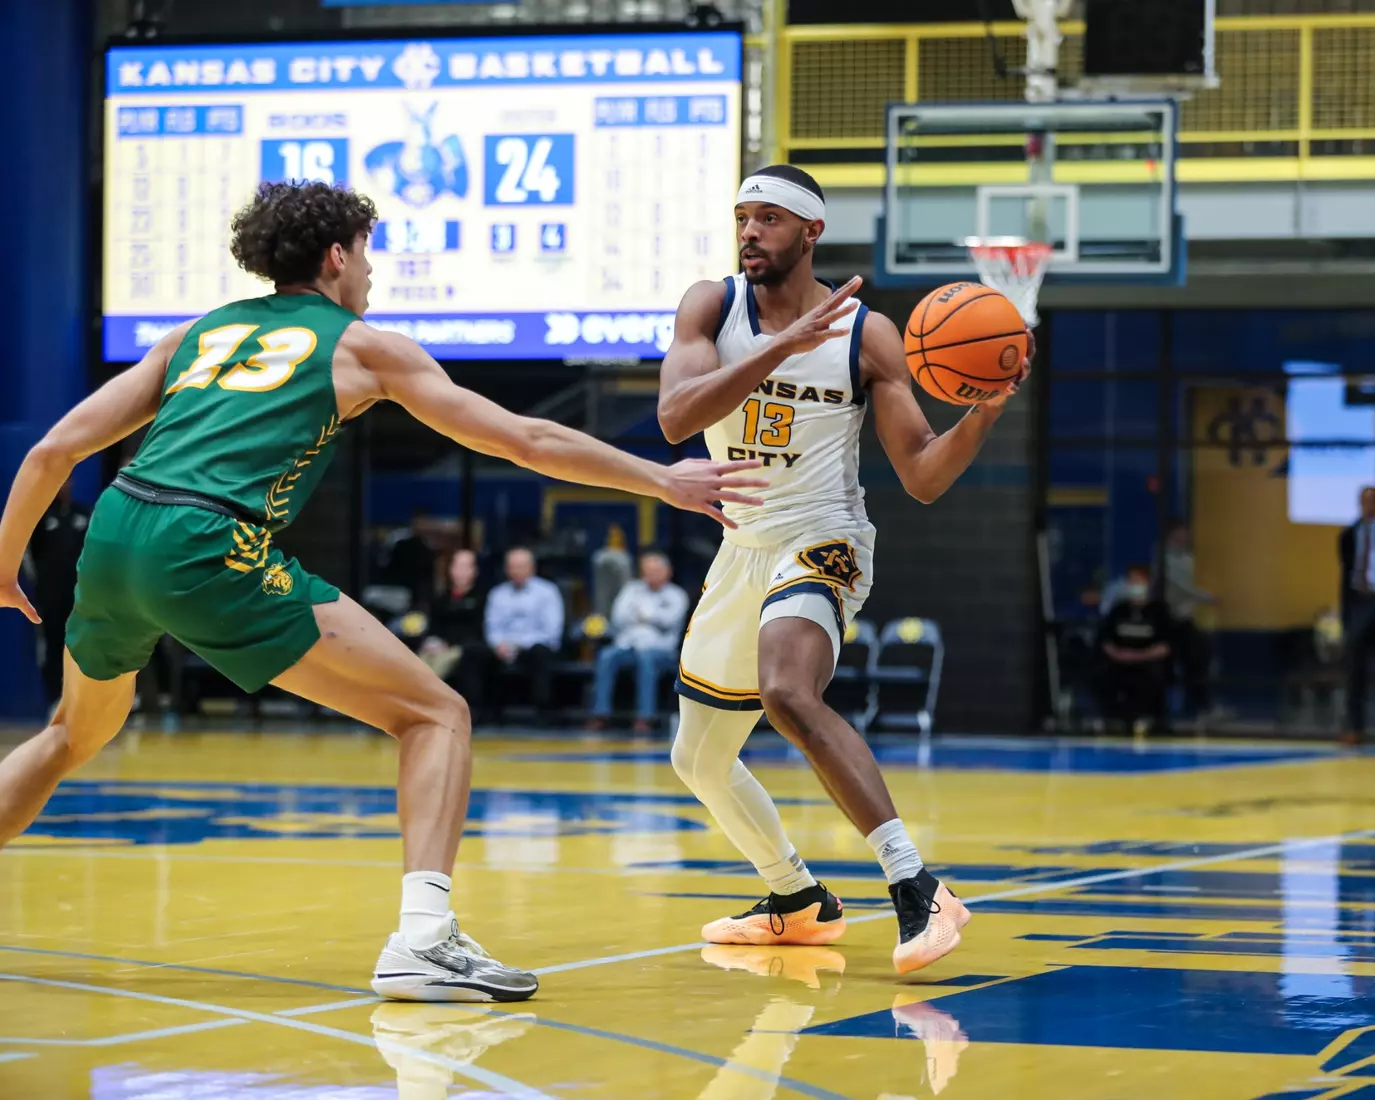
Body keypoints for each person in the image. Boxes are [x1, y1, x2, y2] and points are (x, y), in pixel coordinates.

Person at [0, 180, 765, 1002]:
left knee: (70, 735)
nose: (371, 272)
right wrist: (660, 478)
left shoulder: (195, 334)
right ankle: (424, 941)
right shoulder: (362, 347)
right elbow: (525, 438)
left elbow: (52, 452)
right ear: (337, 256)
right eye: (366, 254)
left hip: (116, 532)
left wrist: (5, 568)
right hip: (208, 541)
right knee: (436, 714)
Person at [657, 164, 1028, 976]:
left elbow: (922, 475)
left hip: (823, 537)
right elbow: (676, 418)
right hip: (741, 547)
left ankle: (915, 883)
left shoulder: (867, 335)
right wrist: (779, 347)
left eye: (768, 218)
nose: (749, 232)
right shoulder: (710, 306)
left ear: (810, 231)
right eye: (742, 217)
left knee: (788, 690)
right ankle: (795, 898)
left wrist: (983, 411)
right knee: (698, 759)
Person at [587, 550, 689, 733]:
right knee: (606, 656)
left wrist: (645, 616)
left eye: (656, 570)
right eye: (647, 570)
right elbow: (618, 617)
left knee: (645, 658)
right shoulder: (631, 589)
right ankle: (601, 713)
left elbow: (669, 620)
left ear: (668, 572)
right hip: (628, 645)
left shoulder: (677, 595)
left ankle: (645, 717)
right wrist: (650, 617)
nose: (651, 575)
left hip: (661, 649)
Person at [25, 479, 89, 707]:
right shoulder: (41, 518)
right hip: (50, 598)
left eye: (68, 481)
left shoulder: (84, 515)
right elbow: (29, 556)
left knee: (79, 648)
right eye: (60, 482)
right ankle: (54, 700)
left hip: (80, 598)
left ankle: (78, 702)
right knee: (52, 646)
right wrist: (41, 584)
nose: (64, 486)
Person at [484, 547, 564, 724]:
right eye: (512, 567)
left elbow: (551, 632)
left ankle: (543, 711)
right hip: (504, 647)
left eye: (521, 566)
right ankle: (485, 712)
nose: (516, 571)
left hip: (534, 645)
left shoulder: (548, 591)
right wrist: (499, 644)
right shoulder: (497, 594)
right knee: (479, 654)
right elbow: (492, 628)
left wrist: (518, 644)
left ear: (532, 568)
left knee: (540, 653)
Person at [1095, 564, 1173, 733]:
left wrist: (1138, 656)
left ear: (1147, 584)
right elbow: (1106, 642)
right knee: (1103, 674)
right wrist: (1120, 655)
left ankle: (1152, 720)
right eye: (1131, 582)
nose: (1134, 586)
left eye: (1138, 582)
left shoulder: (1159, 611)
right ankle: (1112, 720)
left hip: (1148, 662)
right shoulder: (1118, 610)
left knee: (1153, 676)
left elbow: (1165, 647)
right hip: (1120, 661)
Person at [419, 548, 489, 720]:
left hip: (461, 647)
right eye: (457, 566)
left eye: (466, 567)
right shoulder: (442, 598)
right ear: (451, 570)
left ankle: (424, 706)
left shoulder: (482, 598)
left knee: (438, 665)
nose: (461, 571)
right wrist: (432, 641)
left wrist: (448, 644)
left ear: (474, 571)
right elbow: (433, 626)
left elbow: (478, 629)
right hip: (438, 646)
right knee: (417, 661)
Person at [1158, 519, 1216, 718]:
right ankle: (1167, 708)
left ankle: (1201, 707)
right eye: (1180, 532)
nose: (1185, 536)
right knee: (1170, 664)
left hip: (1187, 619)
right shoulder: (1164, 558)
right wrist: (1209, 598)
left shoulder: (1188, 558)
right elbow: (1184, 587)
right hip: (1170, 619)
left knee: (1197, 663)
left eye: (1186, 533)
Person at [1340, 485, 1375, 744]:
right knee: (1355, 670)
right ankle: (1355, 726)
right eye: (1366, 501)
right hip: (1360, 602)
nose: (1369, 505)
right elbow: (1345, 574)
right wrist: (1346, 611)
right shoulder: (1349, 534)